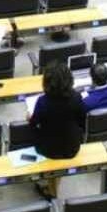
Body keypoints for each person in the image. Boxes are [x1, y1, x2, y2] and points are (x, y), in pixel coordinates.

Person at [28, 63, 85, 198]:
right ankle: (53, 187)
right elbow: (81, 120)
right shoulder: (76, 98)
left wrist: (30, 118)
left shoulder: (43, 102)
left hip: (48, 148)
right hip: (71, 146)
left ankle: (51, 191)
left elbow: (34, 123)